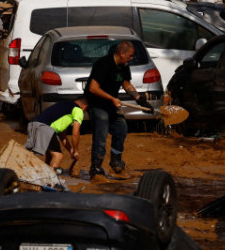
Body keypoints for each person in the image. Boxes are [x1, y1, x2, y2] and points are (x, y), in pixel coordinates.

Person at [84, 40, 141, 179]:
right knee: (101, 134)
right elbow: (93, 88)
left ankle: (116, 163)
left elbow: (125, 83)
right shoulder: (104, 64)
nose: (132, 58)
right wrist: (112, 99)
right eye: (130, 55)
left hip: (110, 105)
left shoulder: (123, 66)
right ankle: (96, 169)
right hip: (97, 104)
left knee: (121, 128)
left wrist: (138, 97)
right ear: (122, 53)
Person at [25, 97, 88, 174]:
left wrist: (71, 150)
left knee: (49, 155)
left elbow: (62, 136)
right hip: (45, 128)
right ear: (84, 107)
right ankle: (50, 181)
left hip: (33, 125)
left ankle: (40, 175)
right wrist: (76, 150)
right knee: (58, 155)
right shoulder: (78, 110)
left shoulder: (64, 107)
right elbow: (75, 133)